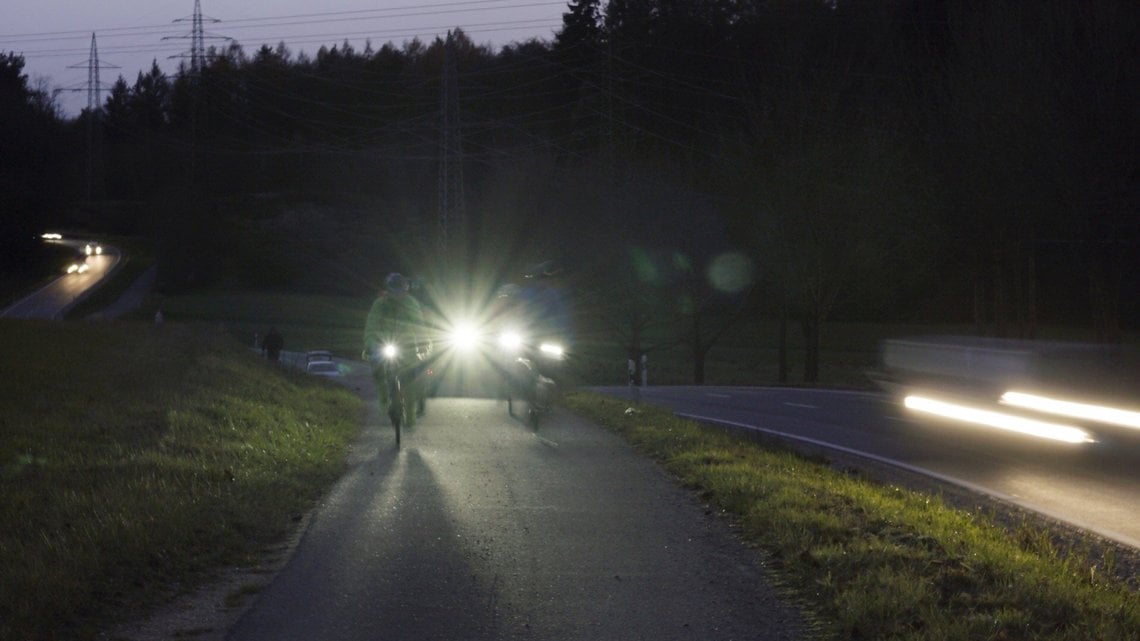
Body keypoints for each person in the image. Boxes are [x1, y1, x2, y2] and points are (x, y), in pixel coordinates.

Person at [363, 272, 430, 426]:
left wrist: (423, 343)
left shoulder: (411, 303)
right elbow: (371, 326)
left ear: (405, 290)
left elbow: (419, 325)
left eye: (400, 291)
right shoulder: (380, 304)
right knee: (377, 369)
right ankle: (384, 399)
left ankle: (411, 416)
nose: (397, 294)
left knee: (411, 379)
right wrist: (370, 344)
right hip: (384, 344)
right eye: (394, 290)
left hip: (407, 346)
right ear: (388, 290)